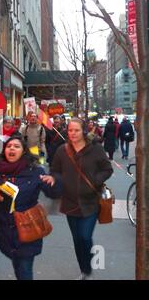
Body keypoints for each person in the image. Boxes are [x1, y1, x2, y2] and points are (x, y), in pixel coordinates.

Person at [0, 136, 61, 280]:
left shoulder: (35, 171)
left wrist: (53, 181)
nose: (12, 148)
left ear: (24, 151)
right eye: (9, 146)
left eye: (16, 146)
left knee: (24, 269)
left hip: (28, 227)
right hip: (6, 231)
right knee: (18, 266)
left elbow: (53, 193)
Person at [50, 118, 113, 280]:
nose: (72, 133)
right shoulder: (62, 150)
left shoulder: (96, 149)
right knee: (77, 239)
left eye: (76, 130)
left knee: (85, 236)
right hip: (70, 202)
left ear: (84, 131)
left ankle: (88, 267)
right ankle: (84, 270)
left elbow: (107, 169)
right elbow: (55, 170)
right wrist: (55, 179)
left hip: (90, 201)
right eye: (70, 130)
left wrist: (95, 180)